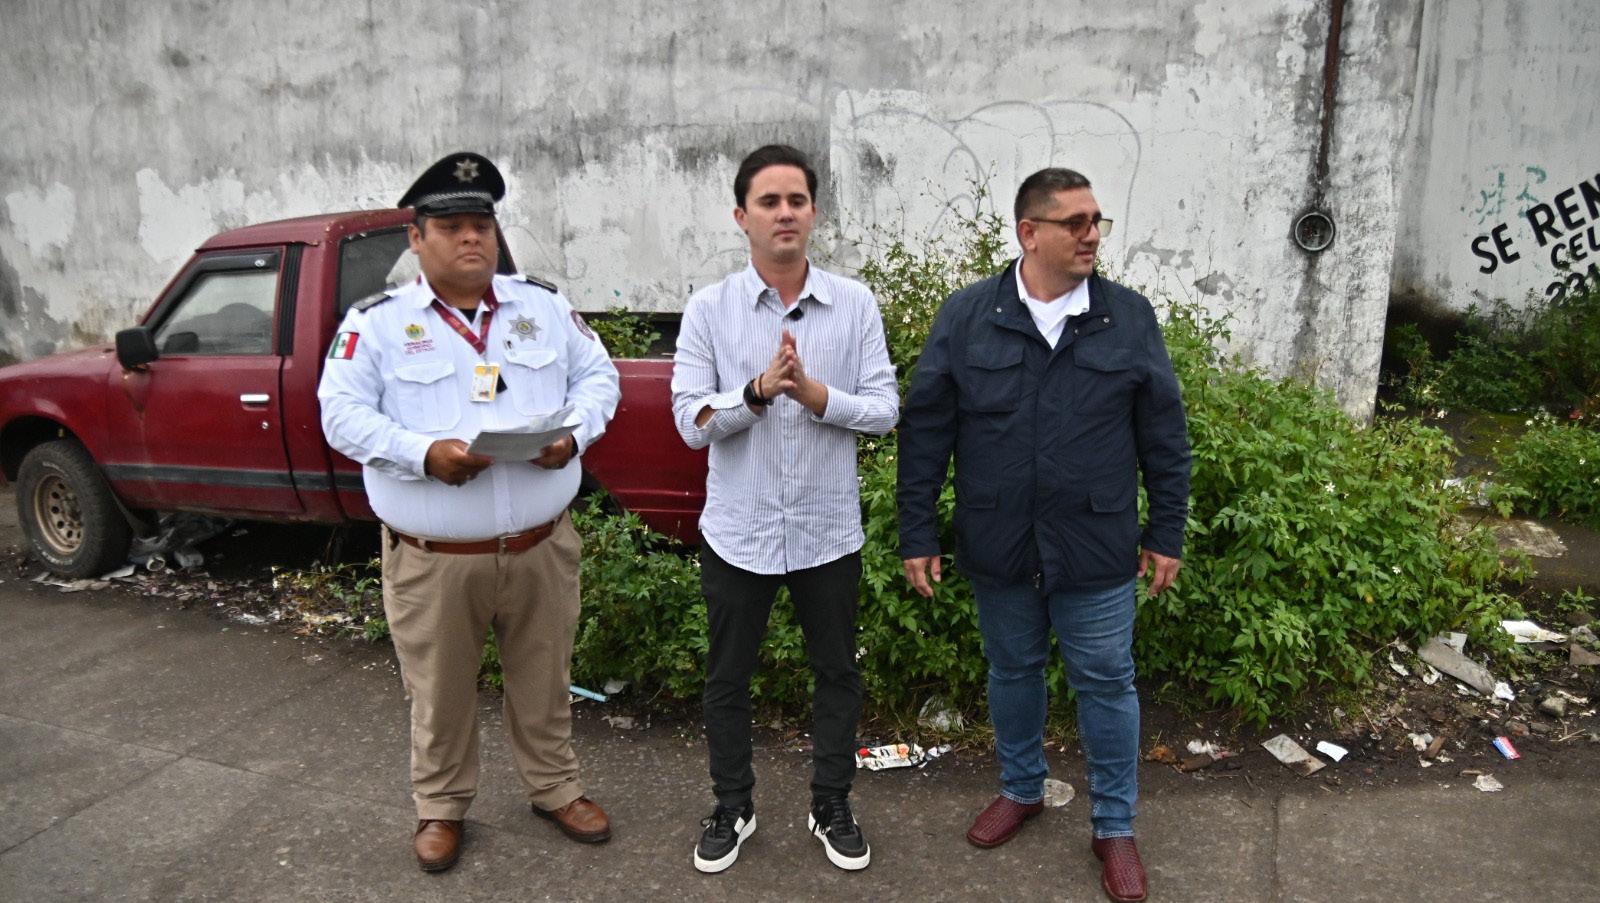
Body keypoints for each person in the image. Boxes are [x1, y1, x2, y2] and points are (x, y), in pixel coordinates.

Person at [318, 152, 621, 872]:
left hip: (541, 544)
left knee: (544, 677)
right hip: (436, 558)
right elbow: (340, 415)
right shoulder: (378, 324)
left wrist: (573, 436)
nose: (470, 238)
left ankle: (554, 787)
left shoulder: (541, 306)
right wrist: (424, 454)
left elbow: (599, 377)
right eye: (451, 226)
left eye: (481, 224)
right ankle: (442, 805)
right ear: (417, 239)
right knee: (439, 690)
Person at [895, 167, 1190, 903]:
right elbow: (926, 431)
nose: (1092, 235)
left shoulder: (1128, 318)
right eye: (1075, 223)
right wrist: (917, 531)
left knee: (1106, 681)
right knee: (1013, 670)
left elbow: (1164, 436)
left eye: (1097, 222)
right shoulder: (969, 316)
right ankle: (1021, 788)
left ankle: (1114, 826)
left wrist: (1167, 530)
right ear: (1030, 233)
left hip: (1095, 543)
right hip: (999, 539)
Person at [670, 144, 899, 874]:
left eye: (796, 200)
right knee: (727, 678)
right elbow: (690, 420)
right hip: (739, 532)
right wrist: (758, 392)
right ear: (742, 217)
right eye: (768, 202)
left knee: (837, 674)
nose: (784, 213)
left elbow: (885, 409)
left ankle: (831, 802)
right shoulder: (710, 309)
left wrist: (817, 396)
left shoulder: (854, 304)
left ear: (814, 212)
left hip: (827, 531)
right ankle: (733, 804)